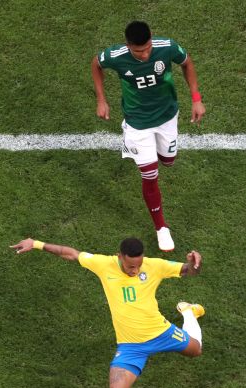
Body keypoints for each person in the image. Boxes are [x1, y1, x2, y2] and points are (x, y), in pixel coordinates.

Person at [10, 235, 205, 388]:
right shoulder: (104, 264)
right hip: (130, 348)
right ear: (119, 256)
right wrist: (37, 244)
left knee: (196, 350)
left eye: (139, 265)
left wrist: (194, 265)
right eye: (130, 265)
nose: (135, 270)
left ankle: (188, 313)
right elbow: (71, 253)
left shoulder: (153, 266)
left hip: (161, 333)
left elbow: (187, 272)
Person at [91, 20, 206, 253]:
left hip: (167, 116)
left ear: (152, 39)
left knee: (168, 161)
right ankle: (161, 228)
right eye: (137, 51)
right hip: (137, 123)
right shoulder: (115, 55)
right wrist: (101, 99)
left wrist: (196, 98)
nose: (143, 55)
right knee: (150, 175)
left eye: (147, 49)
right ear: (128, 46)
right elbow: (96, 65)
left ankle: (156, 156)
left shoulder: (167, 47)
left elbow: (187, 63)